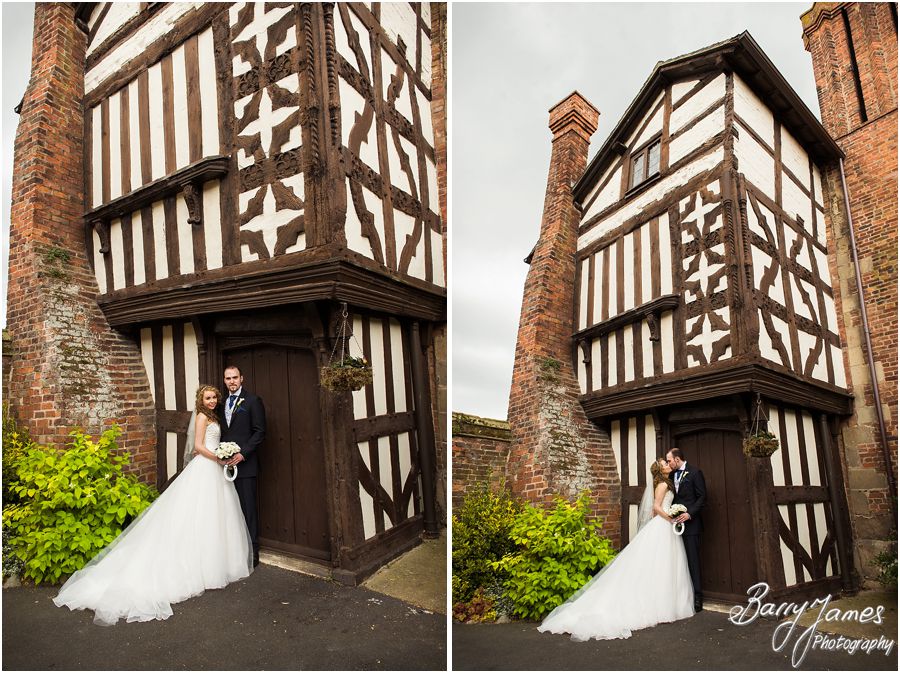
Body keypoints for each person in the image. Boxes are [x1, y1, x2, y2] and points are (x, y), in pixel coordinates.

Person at [53, 385, 253, 625]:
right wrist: (218, 458)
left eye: (213, 397)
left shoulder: (213, 416)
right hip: (206, 467)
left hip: (214, 470)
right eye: (207, 398)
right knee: (199, 514)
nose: (211, 401)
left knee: (215, 516)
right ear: (201, 400)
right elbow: (198, 447)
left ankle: (216, 563)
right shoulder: (201, 417)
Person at [537, 458, 694, 640]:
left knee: (664, 565)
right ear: (660, 470)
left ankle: (667, 602)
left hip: (664, 527)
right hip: (663, 525)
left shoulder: (665, 483)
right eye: (664, 464)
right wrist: (671, 518)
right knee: (659, 564)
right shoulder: (662, 485)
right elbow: (656, 507)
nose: (667, 464)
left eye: (667, 462)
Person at [219, 365, 266, 567]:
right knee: (228, 509)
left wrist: (242, 454)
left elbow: (260, 431)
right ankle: (233, 549)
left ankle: (253, 551)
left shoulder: (253, 401)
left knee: (248, 508)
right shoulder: (220, 403)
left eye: (235, 377)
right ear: (224, 380)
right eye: (228, 378)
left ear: (242, 378)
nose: (232, 381)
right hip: (223, 465)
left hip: (245, 466)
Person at [666, 447, 706, 611]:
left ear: (677, 459)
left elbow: (702, 497)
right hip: (673, 525)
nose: (668, 463)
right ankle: (680, 596)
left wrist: (689, 514)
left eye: (669, 460)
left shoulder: (695, 473)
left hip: (691, 525)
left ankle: (697, 597)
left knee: (693, 560)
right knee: (677, 561)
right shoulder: (670, 475)